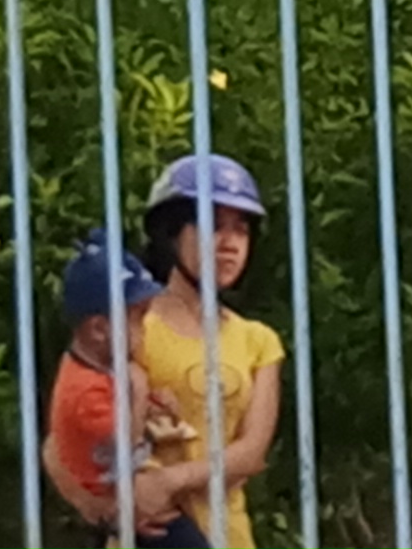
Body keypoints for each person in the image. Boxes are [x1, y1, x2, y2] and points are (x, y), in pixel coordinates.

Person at [133, 152, 287, 549]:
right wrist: (109, 504)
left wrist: (169, 481)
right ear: (171, 234)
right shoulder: (131, 329)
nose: (229, 244)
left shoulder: (257, 341)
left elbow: (251, 452)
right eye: (213, 226)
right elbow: (73, 438)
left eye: (241, 231)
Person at [45, 238, 215, 547]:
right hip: (118, 504)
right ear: (99, 329)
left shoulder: (99, 366)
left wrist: (154, 404)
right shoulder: (82, 391)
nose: (145, 327)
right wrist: (139, 391)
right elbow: (125, 443)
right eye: (137, 317)